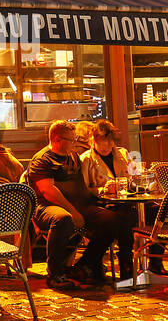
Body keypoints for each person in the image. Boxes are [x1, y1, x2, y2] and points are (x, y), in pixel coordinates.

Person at [26, 120, 134, 290]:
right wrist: (73, 211)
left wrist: (96, 202)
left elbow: (82, 186)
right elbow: (48, 191)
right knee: (63, 219)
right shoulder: (42, 159)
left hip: (78, 205)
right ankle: (55, 273)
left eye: (75, 139)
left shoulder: (73, 156)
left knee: (114, 219)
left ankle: (86, 264)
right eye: (71, 140)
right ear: (56, 139)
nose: (75, 143)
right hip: (46, 207)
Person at [79, 121, 165, 276]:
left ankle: (156, 262)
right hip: (105, 204)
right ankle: (126, 263)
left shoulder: (123, 154)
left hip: (129, 200)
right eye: (101, 141)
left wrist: (142, 179)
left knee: (159, 211)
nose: (106, 145)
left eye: (109, 141)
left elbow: (137, 177)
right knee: (124, 217)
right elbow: (83, 189)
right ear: (93, 140)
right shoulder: (86, 159)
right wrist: (102, 189)